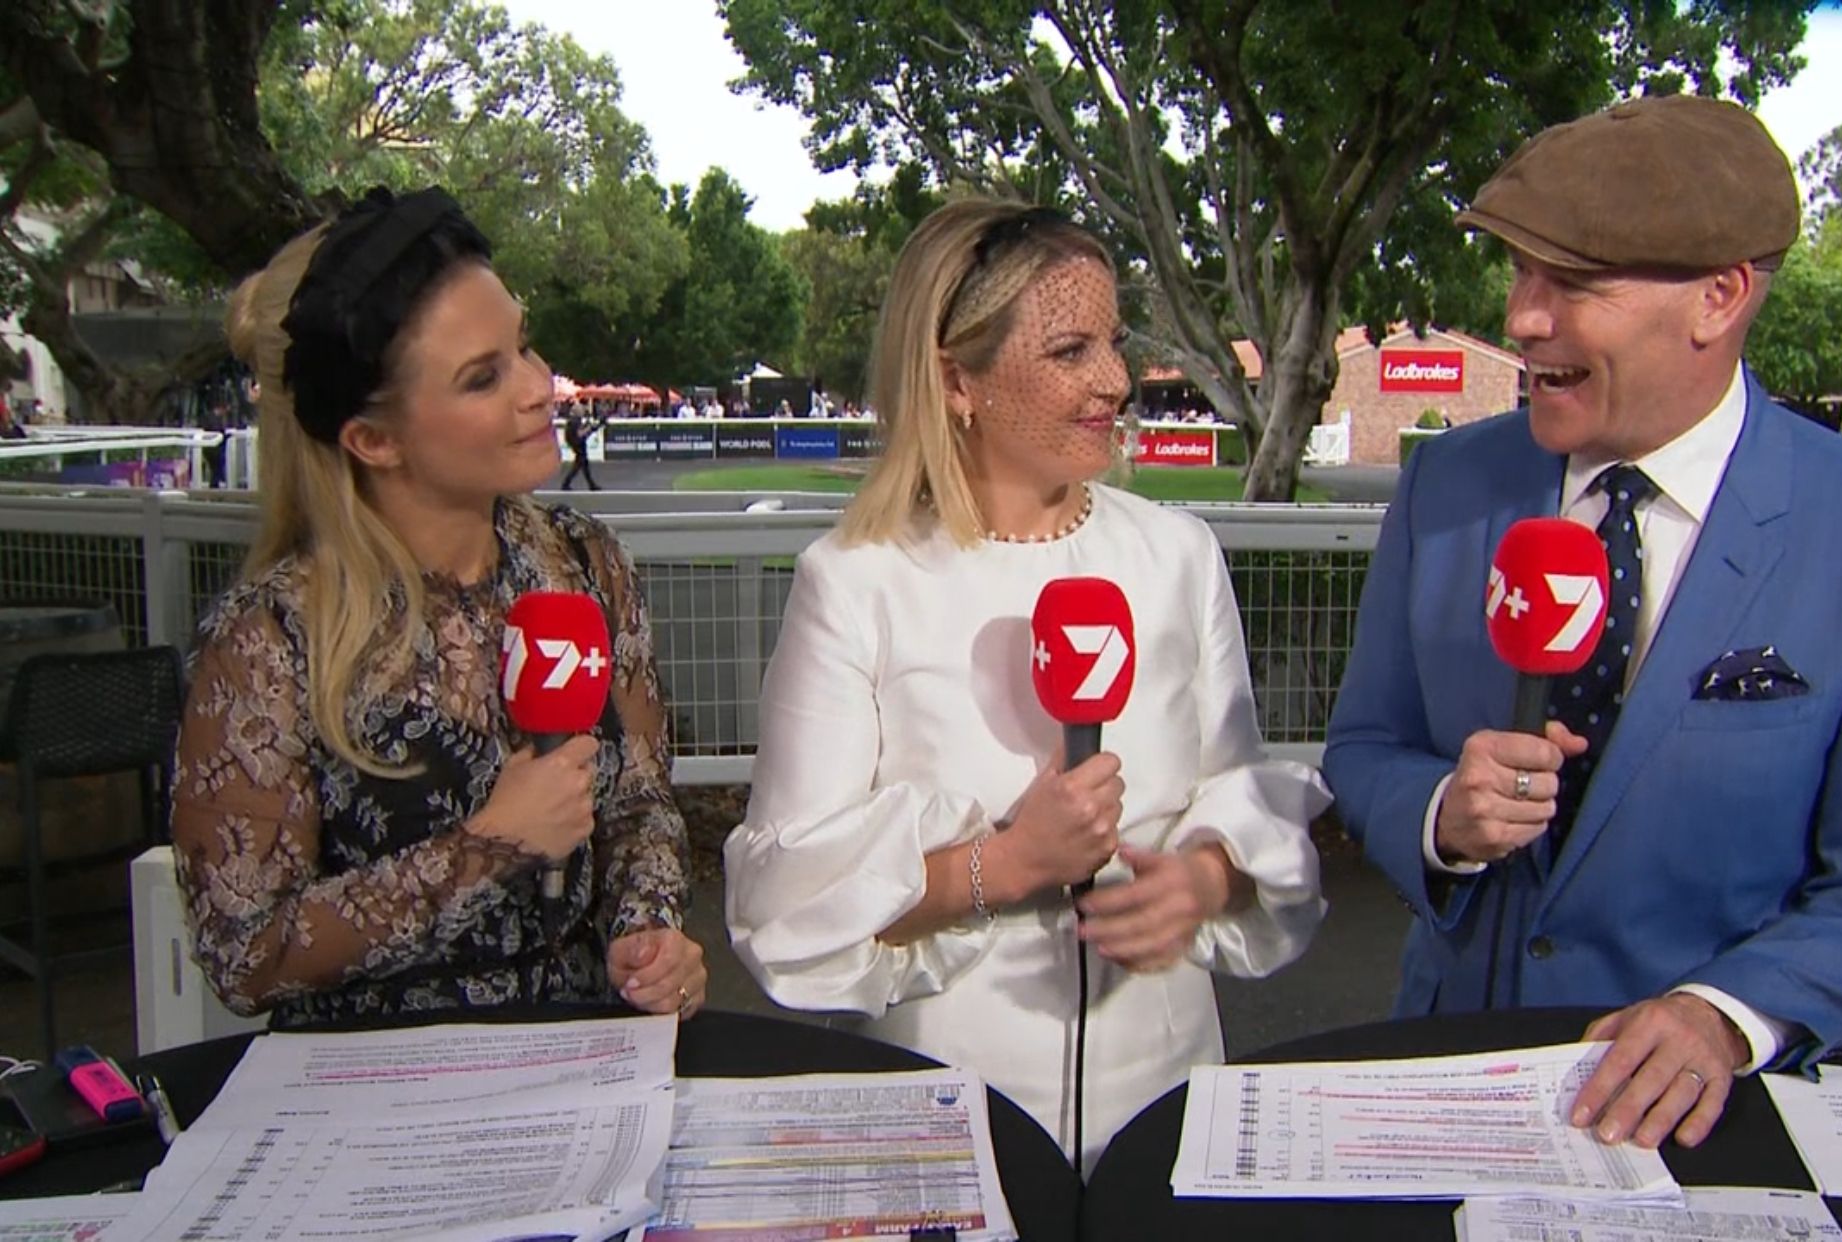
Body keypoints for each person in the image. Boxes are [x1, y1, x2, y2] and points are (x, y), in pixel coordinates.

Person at [1324, 96, 1842, 1153]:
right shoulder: (1446, 485)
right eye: (1520, 274)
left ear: (1718, 298)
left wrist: (1725, 1017)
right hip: (1451, 1076)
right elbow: (1365, 746)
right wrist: (1442, 815)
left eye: (1572, 283)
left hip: (1704, 1122)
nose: (1523, 319)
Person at [724, 199, 1326, 1173]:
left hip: (1167, 1089)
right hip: (950, 1107)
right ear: (955, 379)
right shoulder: (856, 581)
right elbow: (791, 908)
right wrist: (1003, 865)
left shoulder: (1178, 555)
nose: (1116, 380)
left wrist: (1203, 881)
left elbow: (1241, 796)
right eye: (1069, 351)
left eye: (1115, 342)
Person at [172, 187, 706, 1027]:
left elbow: (638, 804)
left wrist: (649, 928)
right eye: (483, 377)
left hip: (583, 1054)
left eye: (523, 346)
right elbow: (244, 956)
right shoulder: (269, 638)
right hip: (363, 1076)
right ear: (373, 440)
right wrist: (487, 846)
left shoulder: (586, 564)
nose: (540, 387)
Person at [562, 403, 602, 490]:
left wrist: (591, 427)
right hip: (577, 443)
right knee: (580, 464)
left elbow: (582, 432)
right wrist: (591, 428)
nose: (583, 411)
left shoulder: (574, 420)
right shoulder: (575, 421)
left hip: (576, 442)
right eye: (581, 410)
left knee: (583, 464)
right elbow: (580, 434)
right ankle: (566, 483)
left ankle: (591, 484)